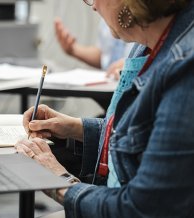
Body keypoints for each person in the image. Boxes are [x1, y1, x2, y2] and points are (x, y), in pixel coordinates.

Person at [15, 0, 194, 217]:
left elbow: (142, 208)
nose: (93, 6)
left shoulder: (185, 70)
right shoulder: (146, 45)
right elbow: (138, 136)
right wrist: (74, 128)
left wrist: (59, 182)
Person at [55, 17, 131, 80]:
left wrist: (133, 65)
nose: (93, 7)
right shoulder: (104, 17)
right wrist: (73, 50)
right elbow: (104, 56)